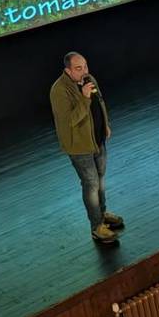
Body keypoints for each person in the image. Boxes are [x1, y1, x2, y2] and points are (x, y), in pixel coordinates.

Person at [50, 51, 122, 243]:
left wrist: (105, 124)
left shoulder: (90, 79)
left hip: (97, 140)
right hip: (79, 147)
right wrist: (83, 97)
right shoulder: (59, 90)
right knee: (91, 185)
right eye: (78, 68)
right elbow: (70, 122)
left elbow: (100, 103)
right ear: (67, 70)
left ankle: (103, 214)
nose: (84, 72)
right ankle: (97, 227)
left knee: (100, 180)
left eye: (85, 66)